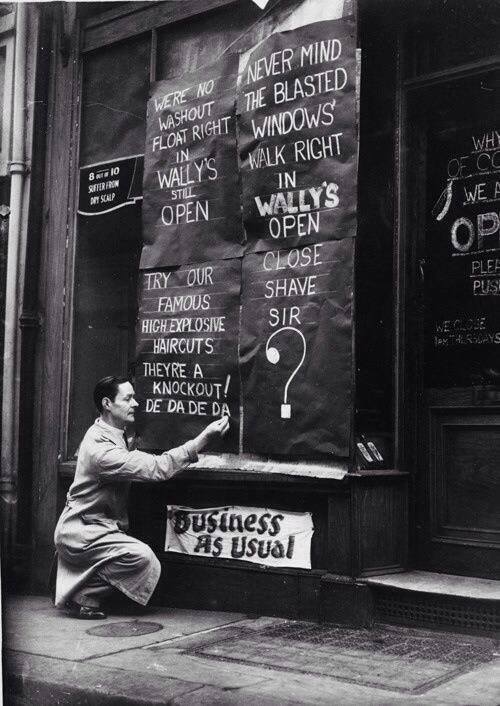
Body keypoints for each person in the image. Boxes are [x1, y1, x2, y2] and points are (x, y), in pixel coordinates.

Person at [53, 375, 229, 619]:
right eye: (128, 398)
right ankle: (83, 592)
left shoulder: (112, 432)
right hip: (82, 533)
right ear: (107, 403)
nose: (135, 403)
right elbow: (158, 467)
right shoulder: (102, 451)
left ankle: (81, 591)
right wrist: (203, 439)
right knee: (144, 560)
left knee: (134, 557)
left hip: (94, 529)